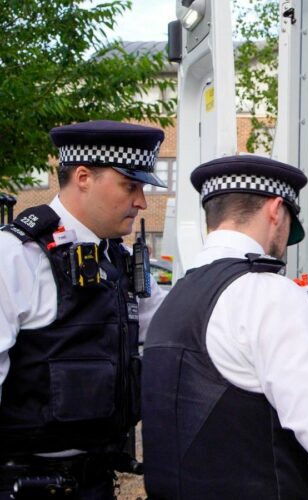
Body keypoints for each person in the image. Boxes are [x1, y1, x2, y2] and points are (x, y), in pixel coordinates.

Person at [141, 155, 308, 499]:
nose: (285, 243)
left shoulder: (174, 298)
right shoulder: (269, 295)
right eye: (288, 226)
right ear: (275, 210)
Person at [0, 120, 169, 499]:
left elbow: (169, 329)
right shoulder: (14, 257)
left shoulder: (120, 260)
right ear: (82, 177)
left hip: (95, 480)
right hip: (24, 484)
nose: (141, 201)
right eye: (131, 185)